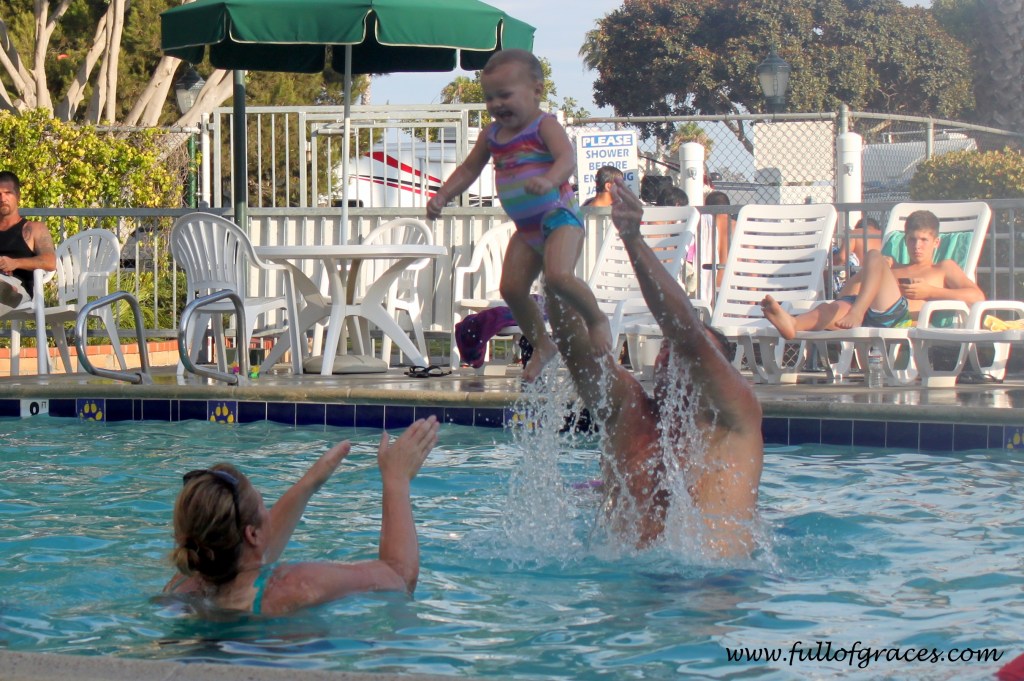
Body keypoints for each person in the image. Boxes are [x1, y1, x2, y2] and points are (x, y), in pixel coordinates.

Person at [547, 178, 764, 557]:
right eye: (665, 349)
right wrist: (549, 254)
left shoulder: (734, 420)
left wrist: (633, 240)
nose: (671, 356)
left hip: (715, 582)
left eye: (687, 358)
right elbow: (575, 349)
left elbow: (687, 333)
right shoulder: (630, 411)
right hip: (630, 579)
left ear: (721, 377)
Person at [427, 49, 611, 382]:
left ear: (536, 90)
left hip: (560, 217)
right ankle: (542, 344)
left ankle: (596, 319)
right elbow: (468, 169)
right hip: (527, 230)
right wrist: (443, 194)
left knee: (558, 277)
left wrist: (550, 179)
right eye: (489, 97)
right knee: (511, 288)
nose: (496, 104)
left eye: (505, 95)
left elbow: (567, 158)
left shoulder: (545, 125)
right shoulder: (492, 135)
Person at [164, 416, 440, 616]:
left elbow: (249, 554)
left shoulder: (182, 587)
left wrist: (310, 482)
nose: (269, 513)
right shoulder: (292, 586)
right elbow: (400, 578)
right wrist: (396, 479)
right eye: (263, 505)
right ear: (251, 534)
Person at [761, 210, 985, 339]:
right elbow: (846, 293)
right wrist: (866, 273)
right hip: (867, 312)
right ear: (905, 240)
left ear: (936, 243)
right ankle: (793, 324)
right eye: (912, 239)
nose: (917, 246)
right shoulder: (893, 266)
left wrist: (930, 292)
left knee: (873, 255)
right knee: (832, 308)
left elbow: (977, 297)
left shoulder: (943, 268)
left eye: (924, 240)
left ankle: (856, 312)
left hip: (899, 318)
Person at [0, 171, 56, 315]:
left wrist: (15, 263)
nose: (2, 198)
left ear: (18, 196)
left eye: (8, 193)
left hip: (19, 288)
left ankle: (6, 291)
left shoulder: (33, 228)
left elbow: (50, 262)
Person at [831, 216, 882, 292]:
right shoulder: (884, 235)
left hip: (859, 285)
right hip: (881, 283)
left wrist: (830, 264)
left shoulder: (854, 233)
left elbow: (841, 258)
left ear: (857, 227)